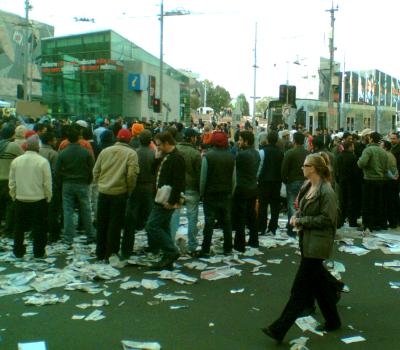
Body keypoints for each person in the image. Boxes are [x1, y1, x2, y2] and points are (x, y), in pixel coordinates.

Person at [262, 153, 341, 343]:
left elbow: (329, 219)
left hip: (318, 244)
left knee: (299, 290)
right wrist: (297, 216)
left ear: (313, 168)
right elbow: (303, 207)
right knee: (318, 284)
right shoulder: (309, 186)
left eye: (305, 165)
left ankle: (279, 329)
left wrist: (302, 221)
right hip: (308, 241)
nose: (302, 168)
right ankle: (333, 319)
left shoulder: (327, 191)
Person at [93, 128, 139, 261]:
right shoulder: (131, 153)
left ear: (117, 138)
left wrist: (100, 184)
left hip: (103, 192)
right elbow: (131, 175)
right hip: (119, 193)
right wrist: (129, 189)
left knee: (102, 222)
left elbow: (95, 171)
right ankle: (111, 253)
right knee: (115, 224)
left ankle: (99, 252)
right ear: (129, 139)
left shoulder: (104, 151)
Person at [146, 131, 185, 269]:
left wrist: (172, 201)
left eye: (159, 145)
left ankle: (171, 251)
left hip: (166, 198)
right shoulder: (165, 156)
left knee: (152, 225)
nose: (158, 148)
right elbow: (153, 173)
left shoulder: (177, 158)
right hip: (160, 196)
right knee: (163, 226)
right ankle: (168, 257)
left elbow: (178, 182)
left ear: (167, 143)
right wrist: (157, 158)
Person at [9, 135, 52, 258]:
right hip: (38, 199)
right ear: (38, 147)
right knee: (39, 227)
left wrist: (14, 195)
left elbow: (12, 182)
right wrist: (48, 197)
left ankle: (18, 251)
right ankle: (38, 252)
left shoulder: (16, 161)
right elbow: (47, 183)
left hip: (20, 198)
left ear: (26, 146)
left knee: (19, 227)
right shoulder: (43, 162)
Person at [55, 127, 95, 245]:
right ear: (79, 138)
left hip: (67, 183)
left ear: (68, 139)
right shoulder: (85, 152)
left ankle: (68, 237)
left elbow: (57, 171)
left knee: (68, 210)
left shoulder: (63, 153)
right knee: (86, 209)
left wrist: (61, 182)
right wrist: (88, 181)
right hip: (82, 183)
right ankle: (90, 234)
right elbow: (92, 168)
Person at [199, 131, 235, 256]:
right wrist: (231, 191)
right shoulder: (231, 157)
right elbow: (233, 178)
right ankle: (228, 248)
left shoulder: (207, 156)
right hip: (226, 193)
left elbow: (203, 178)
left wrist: (201, 193)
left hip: (210, 193)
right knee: (227, 221)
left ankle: (205, 248)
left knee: (209, 221)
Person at [121, 129, 155, 257]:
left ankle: (126, 248)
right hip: (149, 187)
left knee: (130, 219)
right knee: (150, 218)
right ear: (150, 140)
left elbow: (129, 172)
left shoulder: (134, 153)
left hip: (135, 187)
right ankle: (153, 246)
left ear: (139, 140)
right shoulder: (153, 153)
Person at [170, 128, 202, 255]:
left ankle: (171, 244)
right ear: (192, 138)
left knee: (174, 217)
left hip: (176, 188)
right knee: (192, 217)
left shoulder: (175, 150)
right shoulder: (195, 154)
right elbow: (199, 174)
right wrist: (201, 190)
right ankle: (192, 245)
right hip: (192, 188)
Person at [232, 130, 260, 251]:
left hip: (242, 188)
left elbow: (235, 167)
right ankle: (254, 240)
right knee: (252, 215)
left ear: (246, 141)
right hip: (253, 187)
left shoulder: (241, 155)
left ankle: (240, 244)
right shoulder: (256, 153)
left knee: (240, 217)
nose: (239, 142)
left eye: (241, 140)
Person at [357, 132, 388, 232]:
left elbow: (361, 163)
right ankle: (377, 224)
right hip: (380, 180)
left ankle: (367, 225)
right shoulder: (383, 151)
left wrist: (359, 162)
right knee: (378, 203)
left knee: (367, 203)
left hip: (369, 179)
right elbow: (386, 168)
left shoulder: (368, 150)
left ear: (370, 139)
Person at [281, 132, 308, 237]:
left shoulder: (289, 153)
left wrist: (285, 180)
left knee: (292, 205)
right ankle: (302, 227)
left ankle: (292, 228)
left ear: (294, 141)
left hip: (292, 181)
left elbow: (284, 170)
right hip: (306, 182)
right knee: (304, 205)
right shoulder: (308, 154)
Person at [257, 131, 283, 236]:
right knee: (275, 205)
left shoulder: (262, 151)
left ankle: (261, 227)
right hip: (276, 181)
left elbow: (260, 166)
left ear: (267, 139)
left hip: (264, 181)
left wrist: (257, 177)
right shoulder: (281, 153)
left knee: (263, 205)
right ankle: (273, 227)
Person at [0, 125, 23, 236]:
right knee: (10, 205)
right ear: (12, 134)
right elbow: (23, 159)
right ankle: (8, 230)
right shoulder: (13, 146)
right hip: (8, 180)